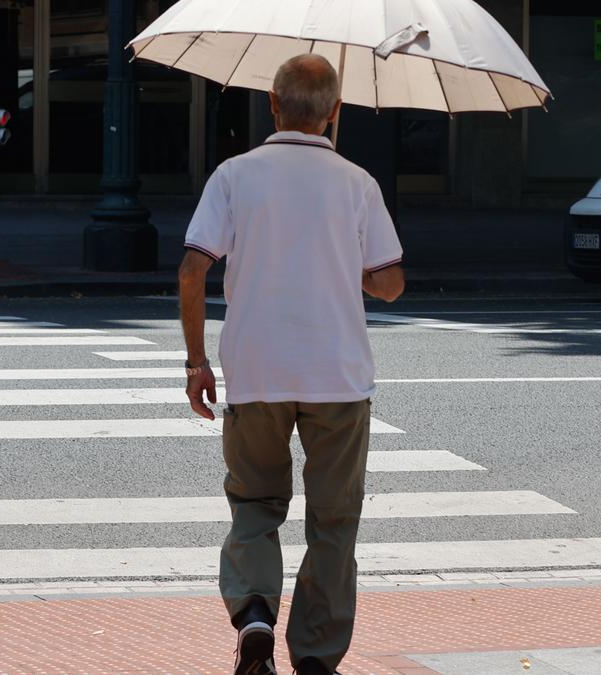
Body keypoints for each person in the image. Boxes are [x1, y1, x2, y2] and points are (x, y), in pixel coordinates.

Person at [178, 53, 405, 675]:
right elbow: (390, 284)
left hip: (256, 372)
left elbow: (193, 269)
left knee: (254, 504)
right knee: (333, 520)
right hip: (337, 376)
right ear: (335, 112)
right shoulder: (357, 183)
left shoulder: (234, 175)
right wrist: (351, 262)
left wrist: (197, 361)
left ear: (273, 105)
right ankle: (315, 654)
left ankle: (254, 613)